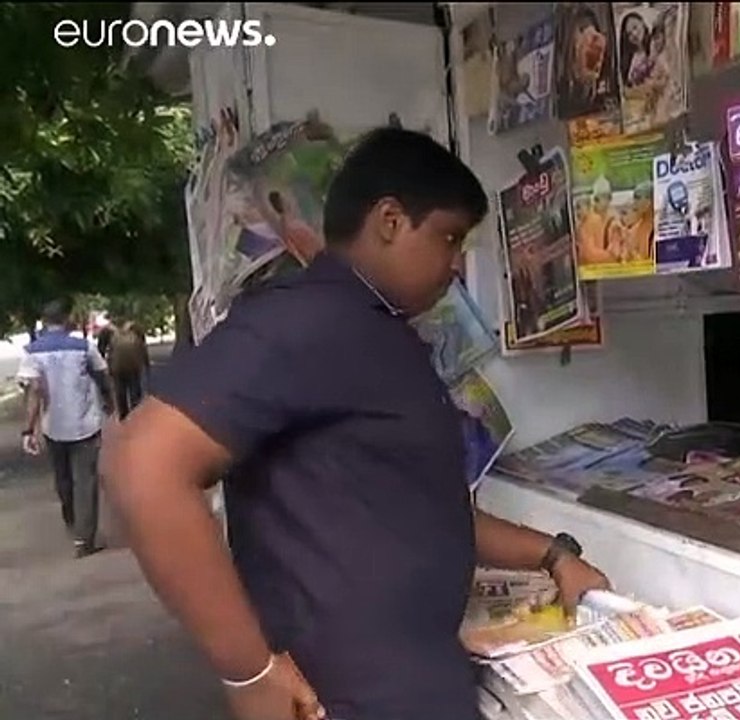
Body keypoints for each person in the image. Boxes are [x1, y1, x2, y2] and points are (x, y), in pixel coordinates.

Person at [101, 128, 611, 720]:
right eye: (447, 238)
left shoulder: (379, 330)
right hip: (351, 697)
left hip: (420, 682)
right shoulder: (307, 320)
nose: (454, 265)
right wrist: (249, 672)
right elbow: (143, 466)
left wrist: (553, 555)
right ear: (390, 220)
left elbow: (423, 509)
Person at [17, 299, 116, 558]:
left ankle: (74, 524)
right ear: (67, 319)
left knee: (63, 481)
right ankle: (84, 538)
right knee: (86, 480)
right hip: (85, 422)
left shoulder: (31, 352)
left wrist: (28, 429)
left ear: (44, 321)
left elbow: (34, 391)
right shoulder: (84, 347)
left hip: (53, 426)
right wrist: (110, 403)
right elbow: (103, 376)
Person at [108, 321, 151, 420]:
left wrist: (110, 369)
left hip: (118, 368)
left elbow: (110, 354)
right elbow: (144, 352)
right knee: (135, 390)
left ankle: (123, 415)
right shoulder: (136, 337)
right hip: (134, 367)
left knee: (120, 392)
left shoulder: (114, 338)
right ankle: (135, 412)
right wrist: (147, 366)